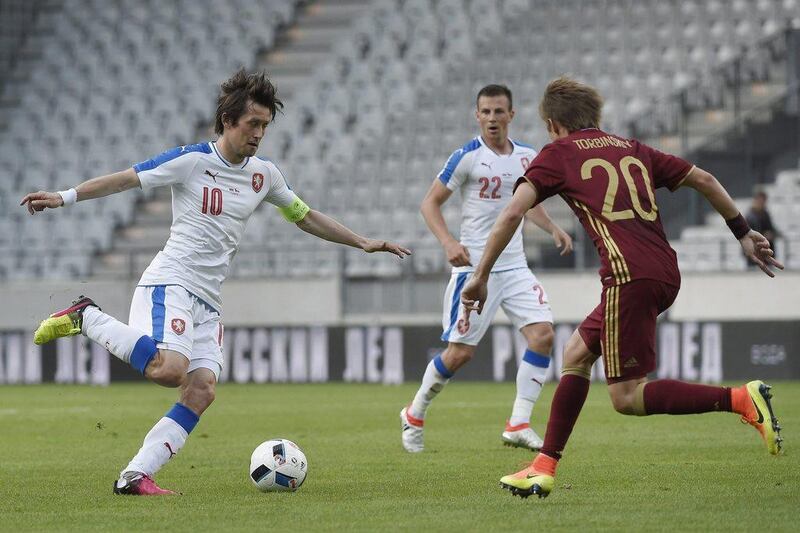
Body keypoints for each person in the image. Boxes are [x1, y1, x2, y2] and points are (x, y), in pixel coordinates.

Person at [21, 69, 411, 496]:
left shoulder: (265, 175)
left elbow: (305, 215)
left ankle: (134, 475)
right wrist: (66, 195)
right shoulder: (192, 161)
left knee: (202, 389)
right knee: (170, 370)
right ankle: (86, 316)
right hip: (170, 282)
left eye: (265, 125)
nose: (260, 133)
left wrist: (362, 242)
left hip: (208, 299)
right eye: (253, 124)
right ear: (228, 120)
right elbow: (127, 178)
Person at [460, 77, 784, 499]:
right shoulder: (631, 147)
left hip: (628, 275)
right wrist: (742, 232)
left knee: (626, 396)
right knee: (575, 354)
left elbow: (510, 215)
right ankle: (543, 466)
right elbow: (703, 178)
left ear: (553, 124)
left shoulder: (557, 153)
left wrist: (481, 274)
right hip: (664, 270)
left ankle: (740, 398)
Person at [400, 85, 572, 453]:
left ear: (512, 115)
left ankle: (519, 422)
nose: (492, 118)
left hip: (515, 267)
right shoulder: (466, 157)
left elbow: (525, 203)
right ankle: (415, 413)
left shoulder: (527, 156)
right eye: (486, 112)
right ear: (476, 115)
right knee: (460, 354)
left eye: (499, 111)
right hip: (473, 270)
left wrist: (553, 227)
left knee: (542, 335)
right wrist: (449, 242)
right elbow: (430, 204)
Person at [745, 190, 779, 265]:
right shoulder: (750, 216)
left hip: (767, 252)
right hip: (755, 253)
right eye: (760, 200)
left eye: (763, 201)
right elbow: (748, 234)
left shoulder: (765, 214)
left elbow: (772, 229)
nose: (762, 203)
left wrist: (772, 234)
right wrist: (764, 235)